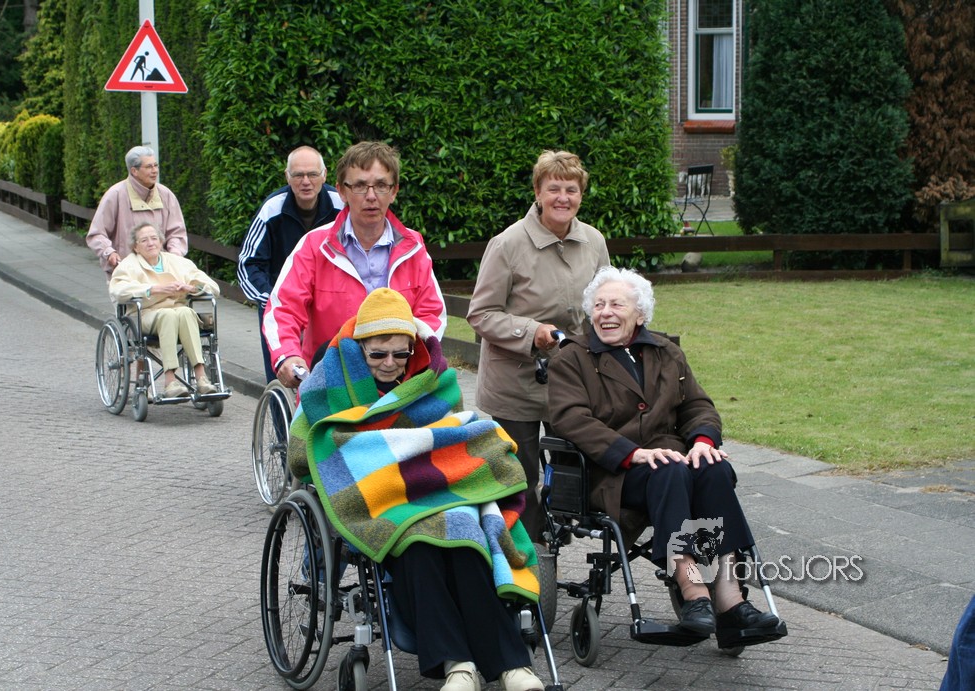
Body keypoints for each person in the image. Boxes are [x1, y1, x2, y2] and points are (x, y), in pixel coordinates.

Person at [288, 288, 544, 691]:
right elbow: (301, 452)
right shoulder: (327, 378)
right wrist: (366, 451)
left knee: (467, 537)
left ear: (413, 347)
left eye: (400, 353)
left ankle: (512, 665)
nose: (390, 363)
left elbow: (450, 437)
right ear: (360, 347)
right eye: (378, 354)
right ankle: (457, 666)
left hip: (438, 487)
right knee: (417, 545)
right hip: (378, 496)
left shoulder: (434, 379)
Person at [547, 266, 782, 638]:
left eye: (616, 305)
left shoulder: (666, 352)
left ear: (640, 314)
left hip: (671, 462)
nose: (605, 312)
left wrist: (703, 442)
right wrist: (633, 454)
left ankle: (730, 599)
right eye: (599, 305)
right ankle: (693, 592)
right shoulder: (572, 358)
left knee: (714, 469)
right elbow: (570, 419)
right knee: (670, 471)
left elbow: (698, 406)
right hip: (611, 472)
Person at [466, 150, 610, 542]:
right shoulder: (507, 244)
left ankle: (555, 536)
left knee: (573, 469)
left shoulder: (594, 241)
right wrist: (532, 332)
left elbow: (605, 302)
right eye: (554, 189)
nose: (563, 197)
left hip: (572, 380)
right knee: (521, 478)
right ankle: (528, 560)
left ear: (581, 194)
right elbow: (481, 314)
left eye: (571, 189)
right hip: (514, 383)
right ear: (537, 192)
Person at [263, 141, 446, 388]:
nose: (371, 196)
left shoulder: (413, 248)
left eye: (381, 185)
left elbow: (432, 313)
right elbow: (283, 308)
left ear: (394, 191)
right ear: (341, 191)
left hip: (398, 377)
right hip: (330, 380)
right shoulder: (314, 246)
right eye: (359, 186)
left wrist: (410, 355)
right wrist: (287, 355)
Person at [238, 146, 344, 383]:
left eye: (312, 174)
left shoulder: (341, 206)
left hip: (327, 301)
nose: (305, 181)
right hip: (282, 301)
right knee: (283, 376)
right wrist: (270, 299)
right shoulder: (272, 209)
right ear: (287, 177)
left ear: (324, 175)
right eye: (298, 175)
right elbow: (249, 263)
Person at [108, 222, 219, 399]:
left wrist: (191, 288)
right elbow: (118, 290)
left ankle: (201, 378)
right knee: (168, 315)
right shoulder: (128, 265)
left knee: (186, 312)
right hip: (145, 314)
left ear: (161, 242)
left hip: (178, 310)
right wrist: (153, 289)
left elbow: (213, 287)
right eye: (144, 240)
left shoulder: (178, 262)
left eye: (154, 238)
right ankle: (170, 381)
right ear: (136, 247)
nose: (150, 243)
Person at [87, 146, 188, 278]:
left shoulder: (166, 195)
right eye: (149, 167)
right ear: (134, 171)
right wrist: (109, 252)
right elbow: (96, 234)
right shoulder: (115, 195)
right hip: (126, 273)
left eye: (155, 165)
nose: (155, 171)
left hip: (162, 272)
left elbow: (177, 233)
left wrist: (174, 255)